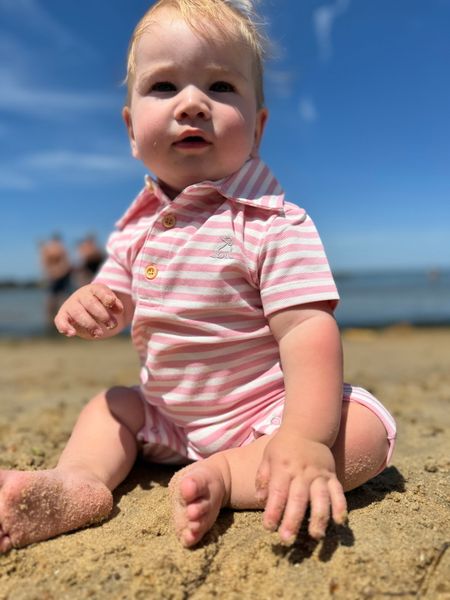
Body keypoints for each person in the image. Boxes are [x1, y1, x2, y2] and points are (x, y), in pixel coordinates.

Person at [0, 0, 396, 553]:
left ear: (257, 128)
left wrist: (304, 436)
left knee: (365, 431)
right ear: (131, 130)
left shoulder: (272, 223)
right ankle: (81, 481)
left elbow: (307, 330)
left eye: (221, 87)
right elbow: (115, 295)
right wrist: (91, 303)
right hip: (166, 417)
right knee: (112, 404)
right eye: (164, 87)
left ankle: (230, 476)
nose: (192, 103)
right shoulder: (137, 228)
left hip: (266, 417)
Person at [39, 234, 72, 330]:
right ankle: (52, 324)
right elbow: (44, 262)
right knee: (52, 300)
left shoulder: (57, 248)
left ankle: (57, 322)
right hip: (55, 276)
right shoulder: (53, 248)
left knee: (59, 298)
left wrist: (58, 272)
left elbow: (65, 263)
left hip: (60, 275)